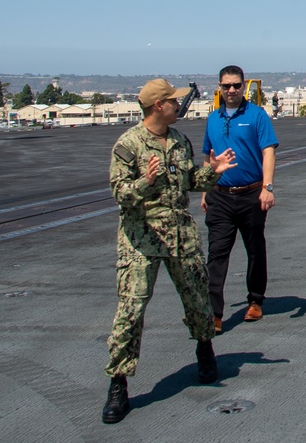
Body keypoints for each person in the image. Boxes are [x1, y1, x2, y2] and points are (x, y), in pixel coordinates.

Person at [102, 78, 237, 424]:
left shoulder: (179, 140)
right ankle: (119, 383)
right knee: (131, 310)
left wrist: (212, 172)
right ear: (158, 106)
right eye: (173, 102)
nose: (179, 106)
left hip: (180, 236)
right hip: (141, 240)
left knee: (197, 299)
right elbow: (120, 195)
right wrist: (145, 182)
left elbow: (189, 181)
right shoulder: (128, 145)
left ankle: (205, 351)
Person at [201, 65, 279, 332]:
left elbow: (268, 151)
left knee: (255, 250)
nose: (232, 90)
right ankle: (214, 314)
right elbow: (208, 158)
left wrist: (267, 187)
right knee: (216, 254)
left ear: (244, 86)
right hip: (220, 196)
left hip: (251, 195)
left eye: (236, 85)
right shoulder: (212, 118)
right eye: (226, 86)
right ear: (219, 87)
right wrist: (204, 190)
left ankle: (256, 300)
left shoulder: (257, 115)